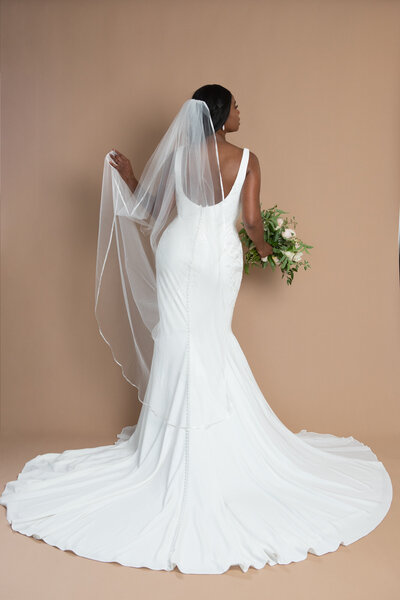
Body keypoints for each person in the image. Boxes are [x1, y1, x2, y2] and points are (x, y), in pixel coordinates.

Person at [0, 84, 393, 575]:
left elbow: (149, 211)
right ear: (223, 114)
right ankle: (207, 447)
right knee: (208, 341)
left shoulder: (180, 156)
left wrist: (130, 176)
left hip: (176, 252)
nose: (242, 112)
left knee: (177, 341)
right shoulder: (248, 159)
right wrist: (272, 249)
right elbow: (250, 222)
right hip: (215, 262)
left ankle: (167, 447)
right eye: (238, 106)